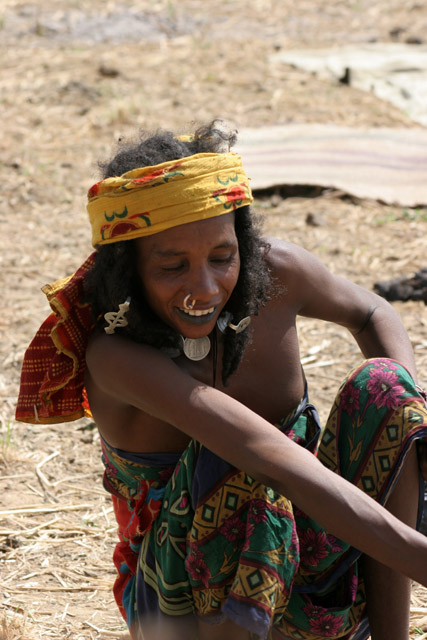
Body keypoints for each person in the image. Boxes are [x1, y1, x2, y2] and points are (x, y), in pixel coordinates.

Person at [16, 120, 427, 640]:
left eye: (222, 257)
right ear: (128, 270)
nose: (203, 287)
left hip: (310, 549)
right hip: (179, 599)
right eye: (172, 266)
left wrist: (408, 426)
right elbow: (265, 455)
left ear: (244, 245)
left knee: (387, 387)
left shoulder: (275, 275)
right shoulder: (115, 355)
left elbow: (371, 312)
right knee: (241, 471)